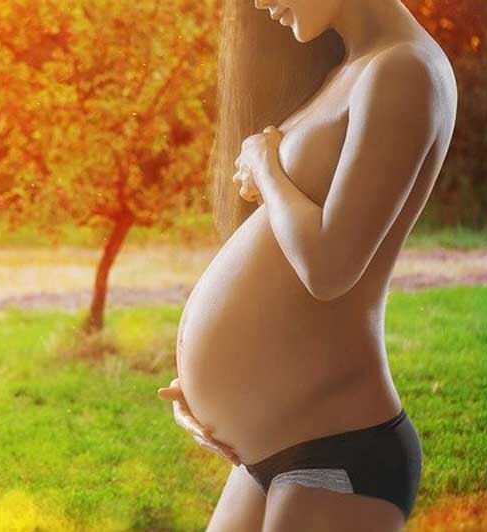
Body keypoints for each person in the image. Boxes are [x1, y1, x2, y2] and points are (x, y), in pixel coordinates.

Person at [157, 1, 458, 531]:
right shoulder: (354, 68)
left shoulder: (402, 70)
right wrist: (222, 395)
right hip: (281, 446)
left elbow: (330, 266)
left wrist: (266, 168)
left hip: (336, 452)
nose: (260, 2)